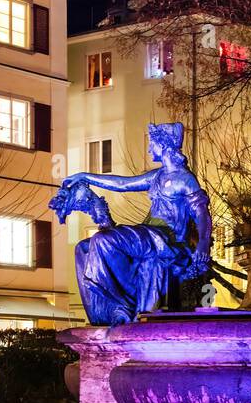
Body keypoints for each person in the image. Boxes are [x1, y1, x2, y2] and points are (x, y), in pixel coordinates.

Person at [53, 122, 211, 326]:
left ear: (163, 145)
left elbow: (202, 214)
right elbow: (122, 184)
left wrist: (203, 244)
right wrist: (85, 176)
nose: (149, 149)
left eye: (151, 144)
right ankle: (105, 310)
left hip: (164, 239)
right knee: (83, 248)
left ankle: (123, 305)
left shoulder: (185, 179)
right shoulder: (158, 176)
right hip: (148, 234)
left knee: (103, 240)